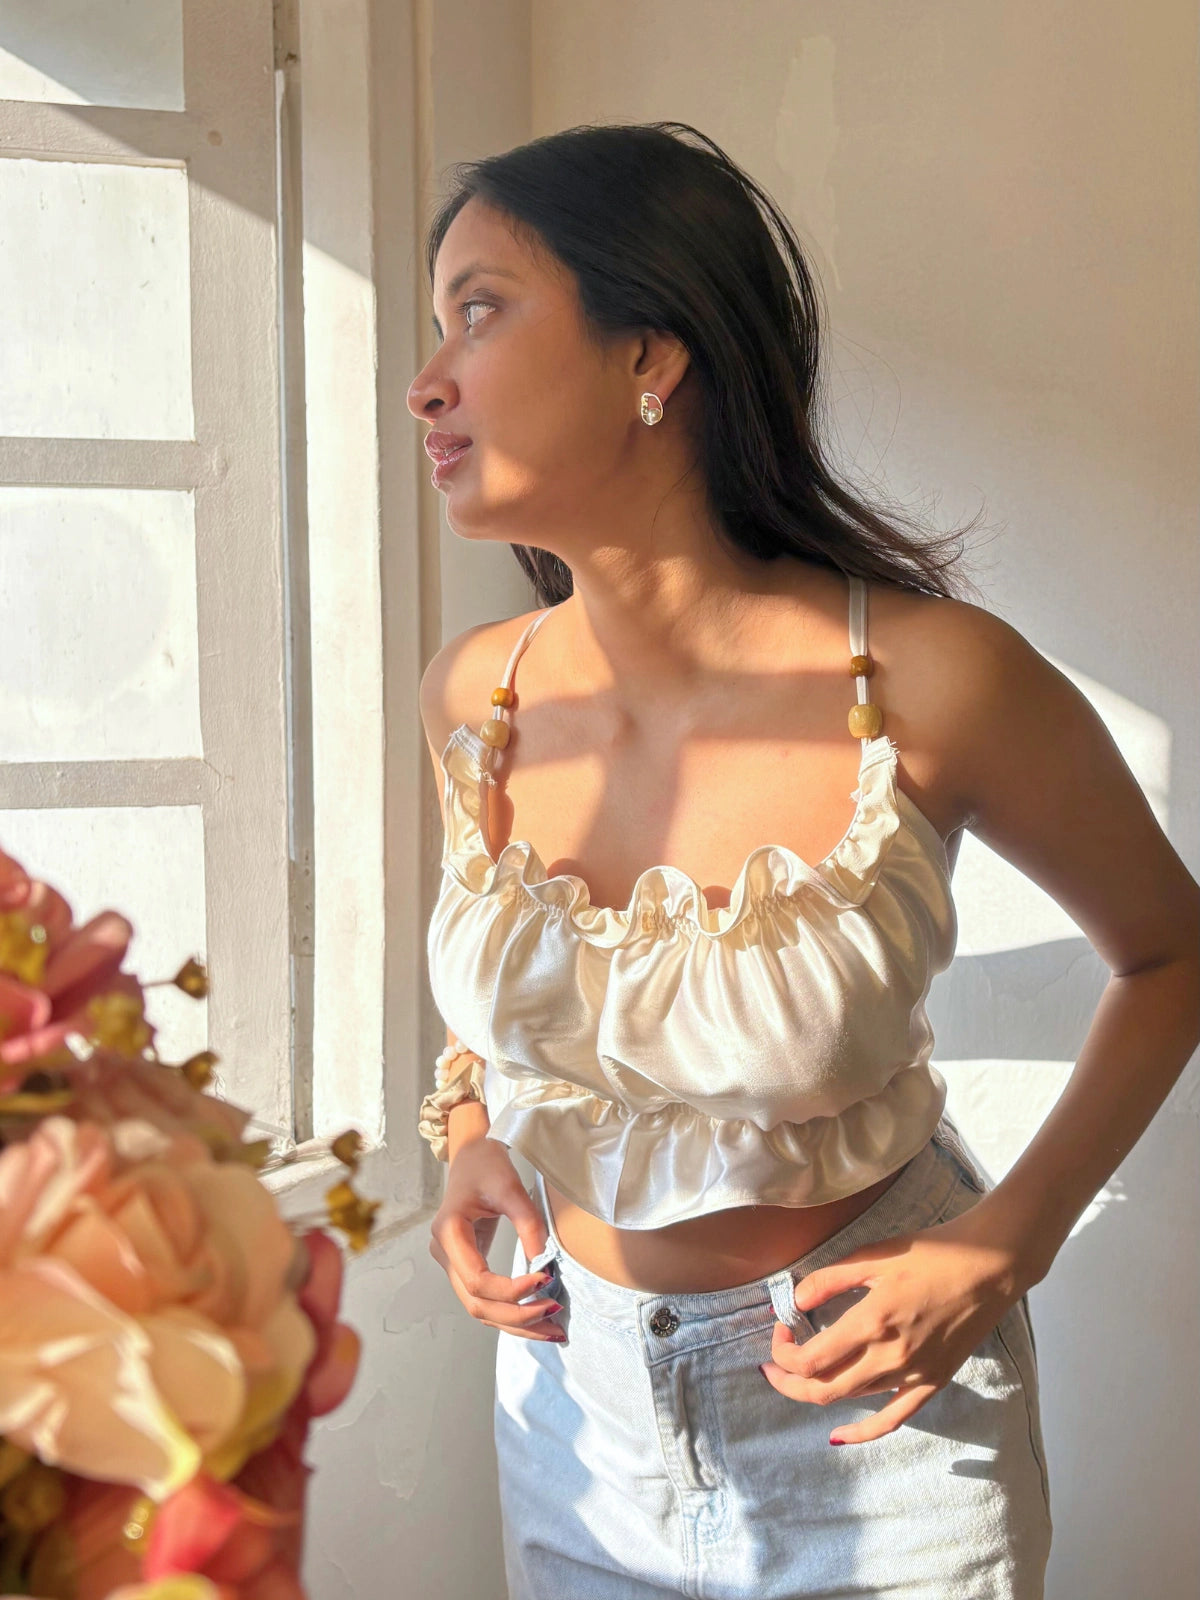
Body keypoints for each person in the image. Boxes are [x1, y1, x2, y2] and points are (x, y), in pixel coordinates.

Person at [408, 122, 1200, 1600]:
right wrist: (466, 1130)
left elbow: (1173, 953)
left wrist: (1006, 1245)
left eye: (481, 308)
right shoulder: (479, 693)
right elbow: (507, 969)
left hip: (874, 1431)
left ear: (653, 353)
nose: (426, 383)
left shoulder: (935, 680)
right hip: (572, 1410)